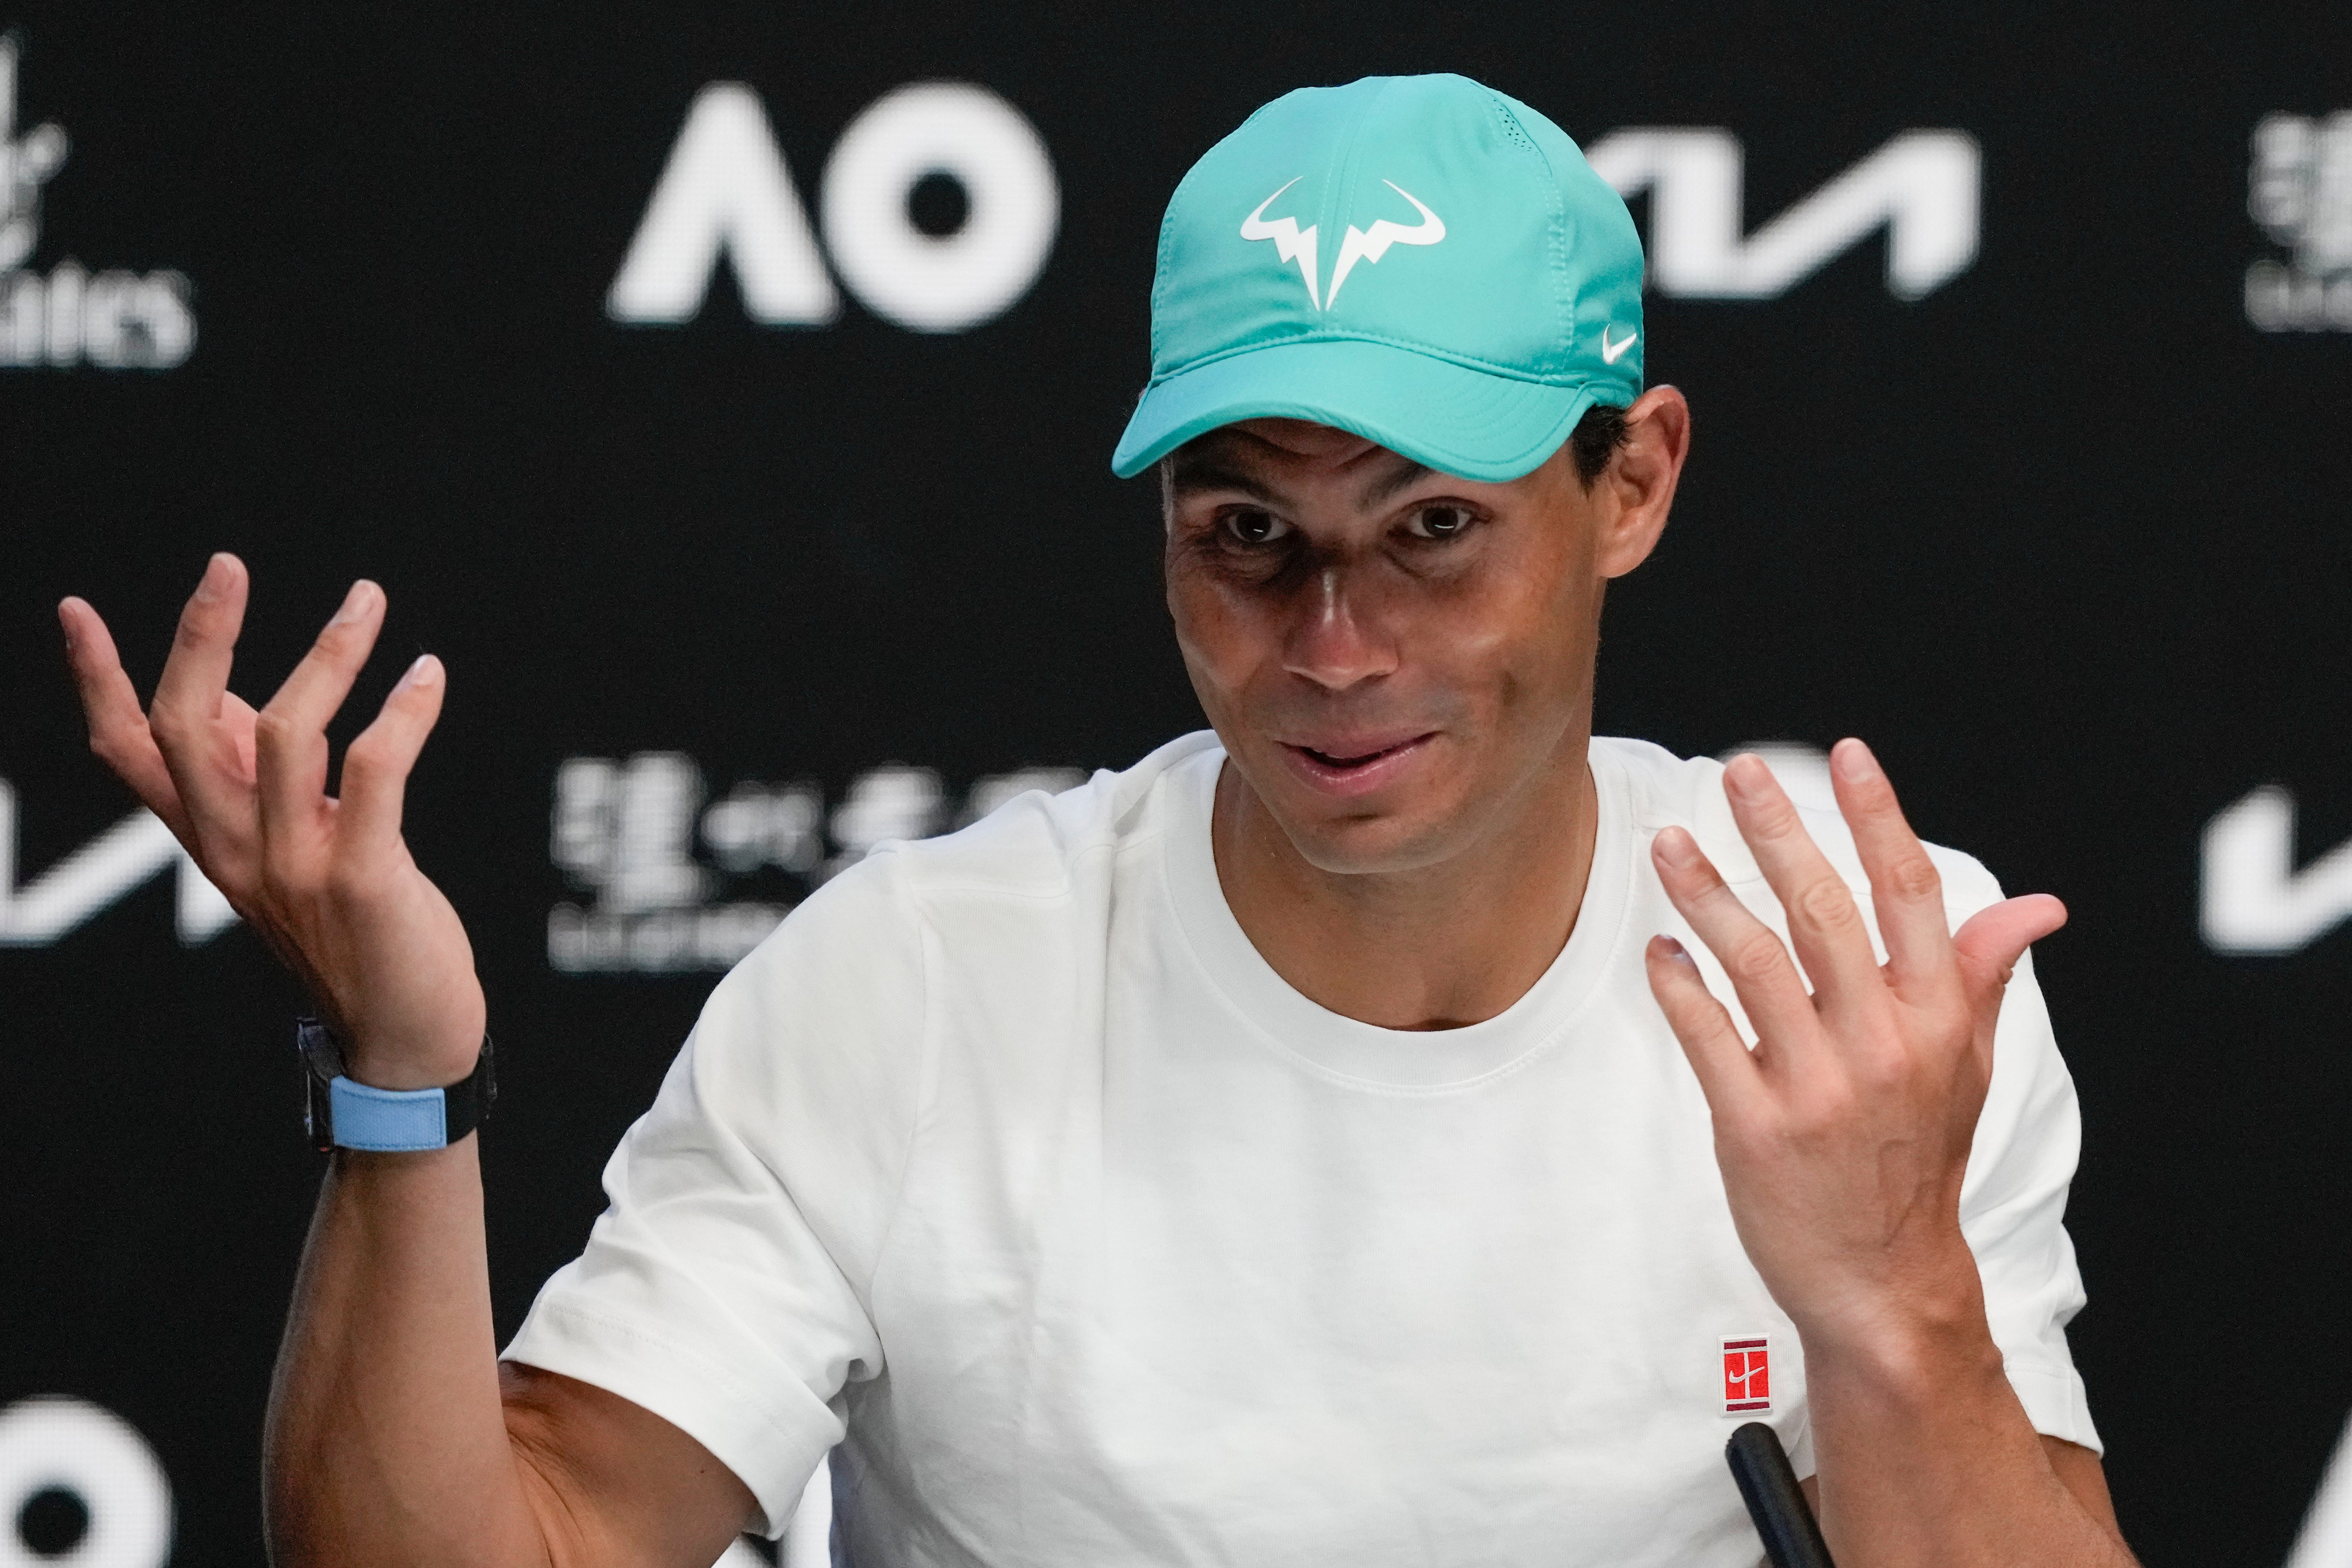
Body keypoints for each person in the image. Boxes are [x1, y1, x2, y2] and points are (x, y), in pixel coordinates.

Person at [57, 73, 2136, 1568]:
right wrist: (404, 1087)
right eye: (1250, 533)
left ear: (1633, 484)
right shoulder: (918, 985)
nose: (1331, 642)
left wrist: (1889, 1303)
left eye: (1430, 529)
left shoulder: (1856, 976)